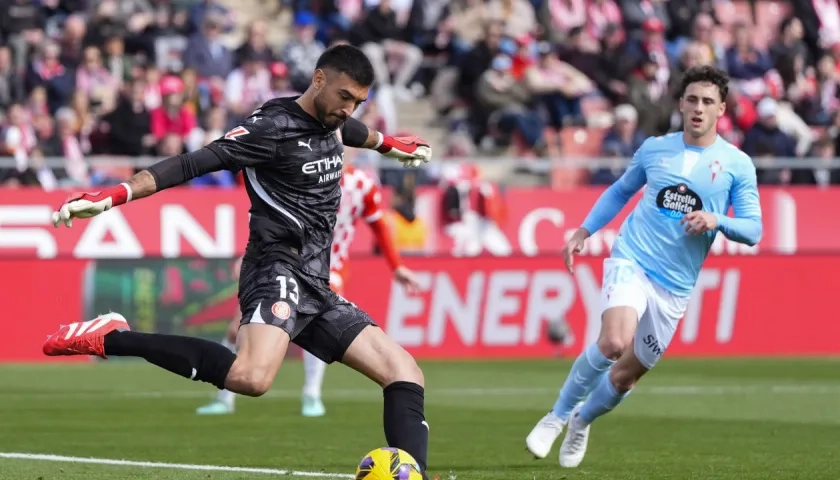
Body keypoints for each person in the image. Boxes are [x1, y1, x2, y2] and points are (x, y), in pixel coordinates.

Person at [44, 45, 435, 480]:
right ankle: (114, 338)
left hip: (316, 283)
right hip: (275, 269)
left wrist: (387, 144)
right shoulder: (269, 129)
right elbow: (193, 162)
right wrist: (117, 194)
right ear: (319, 79)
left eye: (358, 102)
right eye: (344, 96)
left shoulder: (335, 123)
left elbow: (352, 131)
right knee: (252, 377)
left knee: (404, 370)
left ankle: (409, 474)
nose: (349, 109)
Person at [525, 65, 763, 468]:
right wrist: (584, 230)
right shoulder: (655, 148)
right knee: (614, 342)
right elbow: (621, 190)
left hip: (675, 288)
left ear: (722, 109)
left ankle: (582, 421)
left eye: (708, 102)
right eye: (692, 100)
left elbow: (754, 229)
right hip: (633, 259)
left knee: (624, 378)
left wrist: (716, 219)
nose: (699, 109)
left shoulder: (737, 164)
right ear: (680, 104)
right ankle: (557, 416)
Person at [196, 163, 422, 417]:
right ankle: (225, 398)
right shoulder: (299, 165)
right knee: (236, 327)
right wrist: (252, 255)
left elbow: (378, 225)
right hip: (281, 261)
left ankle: (312, 393)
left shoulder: (361, 184)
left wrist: (397, 266)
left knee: (314, 323)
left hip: (328, 267)